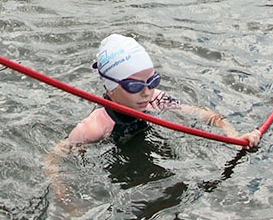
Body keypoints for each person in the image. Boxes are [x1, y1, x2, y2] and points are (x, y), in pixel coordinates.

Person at [45, 35, 261, 178]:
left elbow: (207, 116)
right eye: (135, 86)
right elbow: (54, 158)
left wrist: (237, 136)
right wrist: (62, 192)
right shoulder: (96, 126)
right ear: (112, 88)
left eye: (152, 81)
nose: (147, 92)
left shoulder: (156, 100)